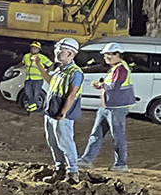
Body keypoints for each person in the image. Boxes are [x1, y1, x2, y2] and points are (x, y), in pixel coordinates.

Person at [78, 42, 134, 172]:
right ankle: (87, 159)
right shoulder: (115, 69)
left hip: (117, 108)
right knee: (96, 134)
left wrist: (100, 85)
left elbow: (114, 87)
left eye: (109, 55)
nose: (106, 57)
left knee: (118, 136)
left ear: (117, 54)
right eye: (105, 55)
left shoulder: (121, 69)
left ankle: (121, 164)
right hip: (107, 107)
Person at [42, 38, 84, 184]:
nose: (56, 52)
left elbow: (72, 94)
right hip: (51, 112)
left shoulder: (75, 73)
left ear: (71, 54)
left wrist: (63, 112)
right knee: (53, 142)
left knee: (65, 142)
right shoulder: (60, 70)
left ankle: (73, 172)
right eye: (57, 49)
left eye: (60, 50)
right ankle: (59, 170)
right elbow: (49, 82)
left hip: (62, 115)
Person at [21, 41, 53, 112]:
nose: (33, 49)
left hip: (38, 79)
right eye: (32, 48)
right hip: (28, 78)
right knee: (28, 92)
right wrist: (14, 67)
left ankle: (32, 107)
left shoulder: (42, 57)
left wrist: (45, 72)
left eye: (35, 48)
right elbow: (22, 63)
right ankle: (32, 105)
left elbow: (51, 65)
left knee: (36, 94)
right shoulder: (26, 56)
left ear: (38, 49)